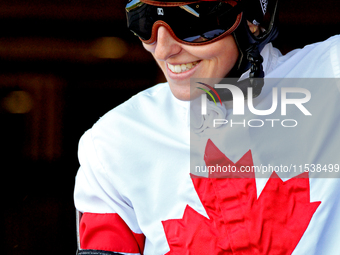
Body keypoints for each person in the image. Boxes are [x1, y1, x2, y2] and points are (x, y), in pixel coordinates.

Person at [74, 0, 340, 254]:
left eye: (189, 23)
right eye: (144, 20)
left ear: (253, 20)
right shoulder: (113, 143)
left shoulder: (331, 73)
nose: (164, 50)